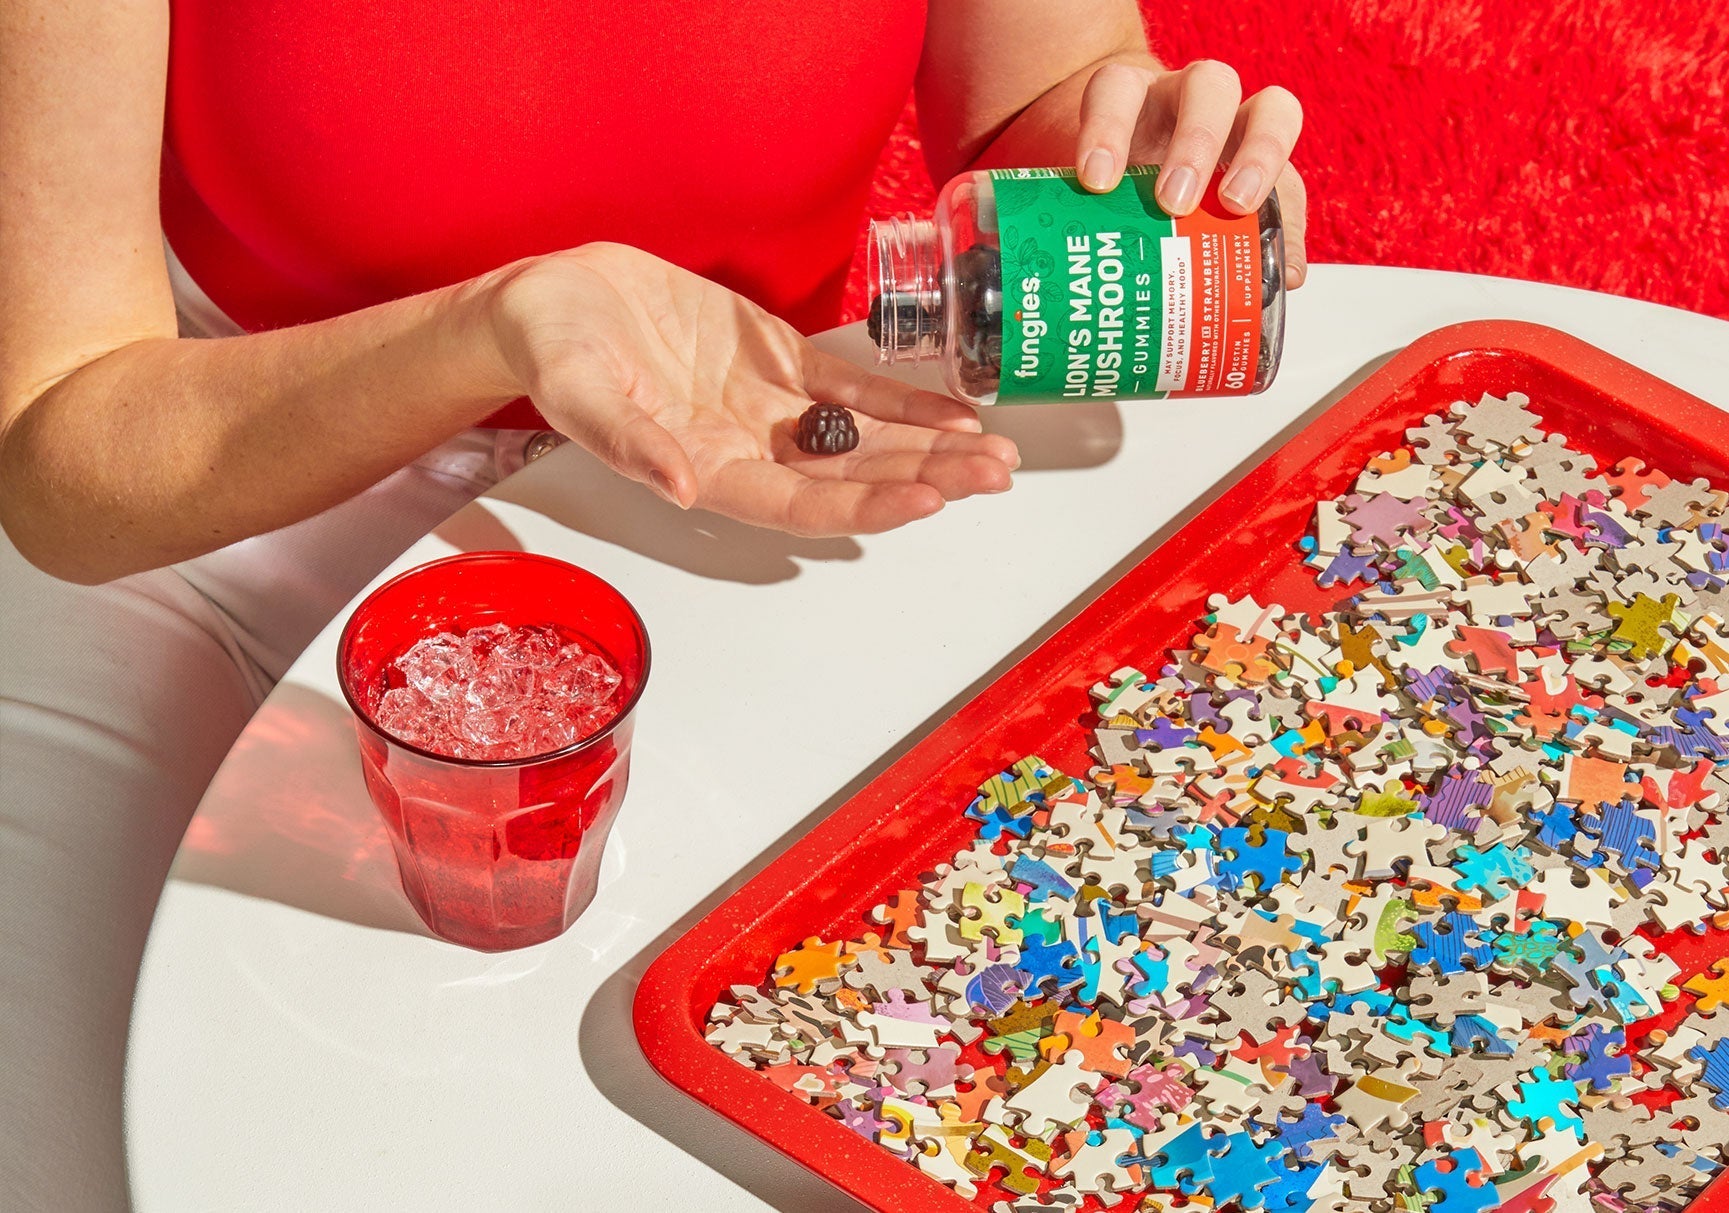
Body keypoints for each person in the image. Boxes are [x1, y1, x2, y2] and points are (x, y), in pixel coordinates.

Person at [0, 0, 1306, 1205]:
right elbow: (67, 459)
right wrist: (498, 328)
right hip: (228, 472)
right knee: (78, 1151)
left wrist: (1134, 174)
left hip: (727, 450)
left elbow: (1048, 87)